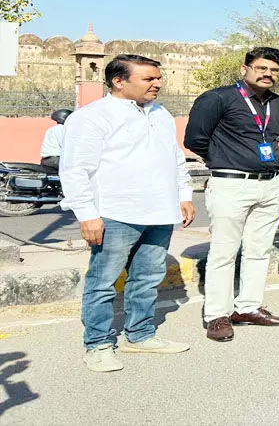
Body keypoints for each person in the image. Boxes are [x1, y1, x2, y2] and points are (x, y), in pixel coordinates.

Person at [60, 55, 194, 372]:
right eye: (148, 79)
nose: (157, 83)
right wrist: (87, 214)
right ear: (119, 81)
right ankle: (98, 345)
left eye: (158, 78)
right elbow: (76, 170)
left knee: (147, 279)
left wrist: (184, 194)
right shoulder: (92, 117)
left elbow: (174, 158)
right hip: (115, 213)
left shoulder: (160, 113)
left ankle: (140, 335)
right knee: (103, 282)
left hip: (159, 212)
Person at [184, 47, 279, 342]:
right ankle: (217, 315)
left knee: (259, 250)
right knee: (224, 251)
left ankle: (248, 307)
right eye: (261, 68)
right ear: (244, 69)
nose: (267, 74)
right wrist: (225, 159)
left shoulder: (277, 102)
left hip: (269, 184)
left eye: (274, 70)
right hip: (231, 183)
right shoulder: (217, 98)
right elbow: (195, 139)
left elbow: (268, 140)